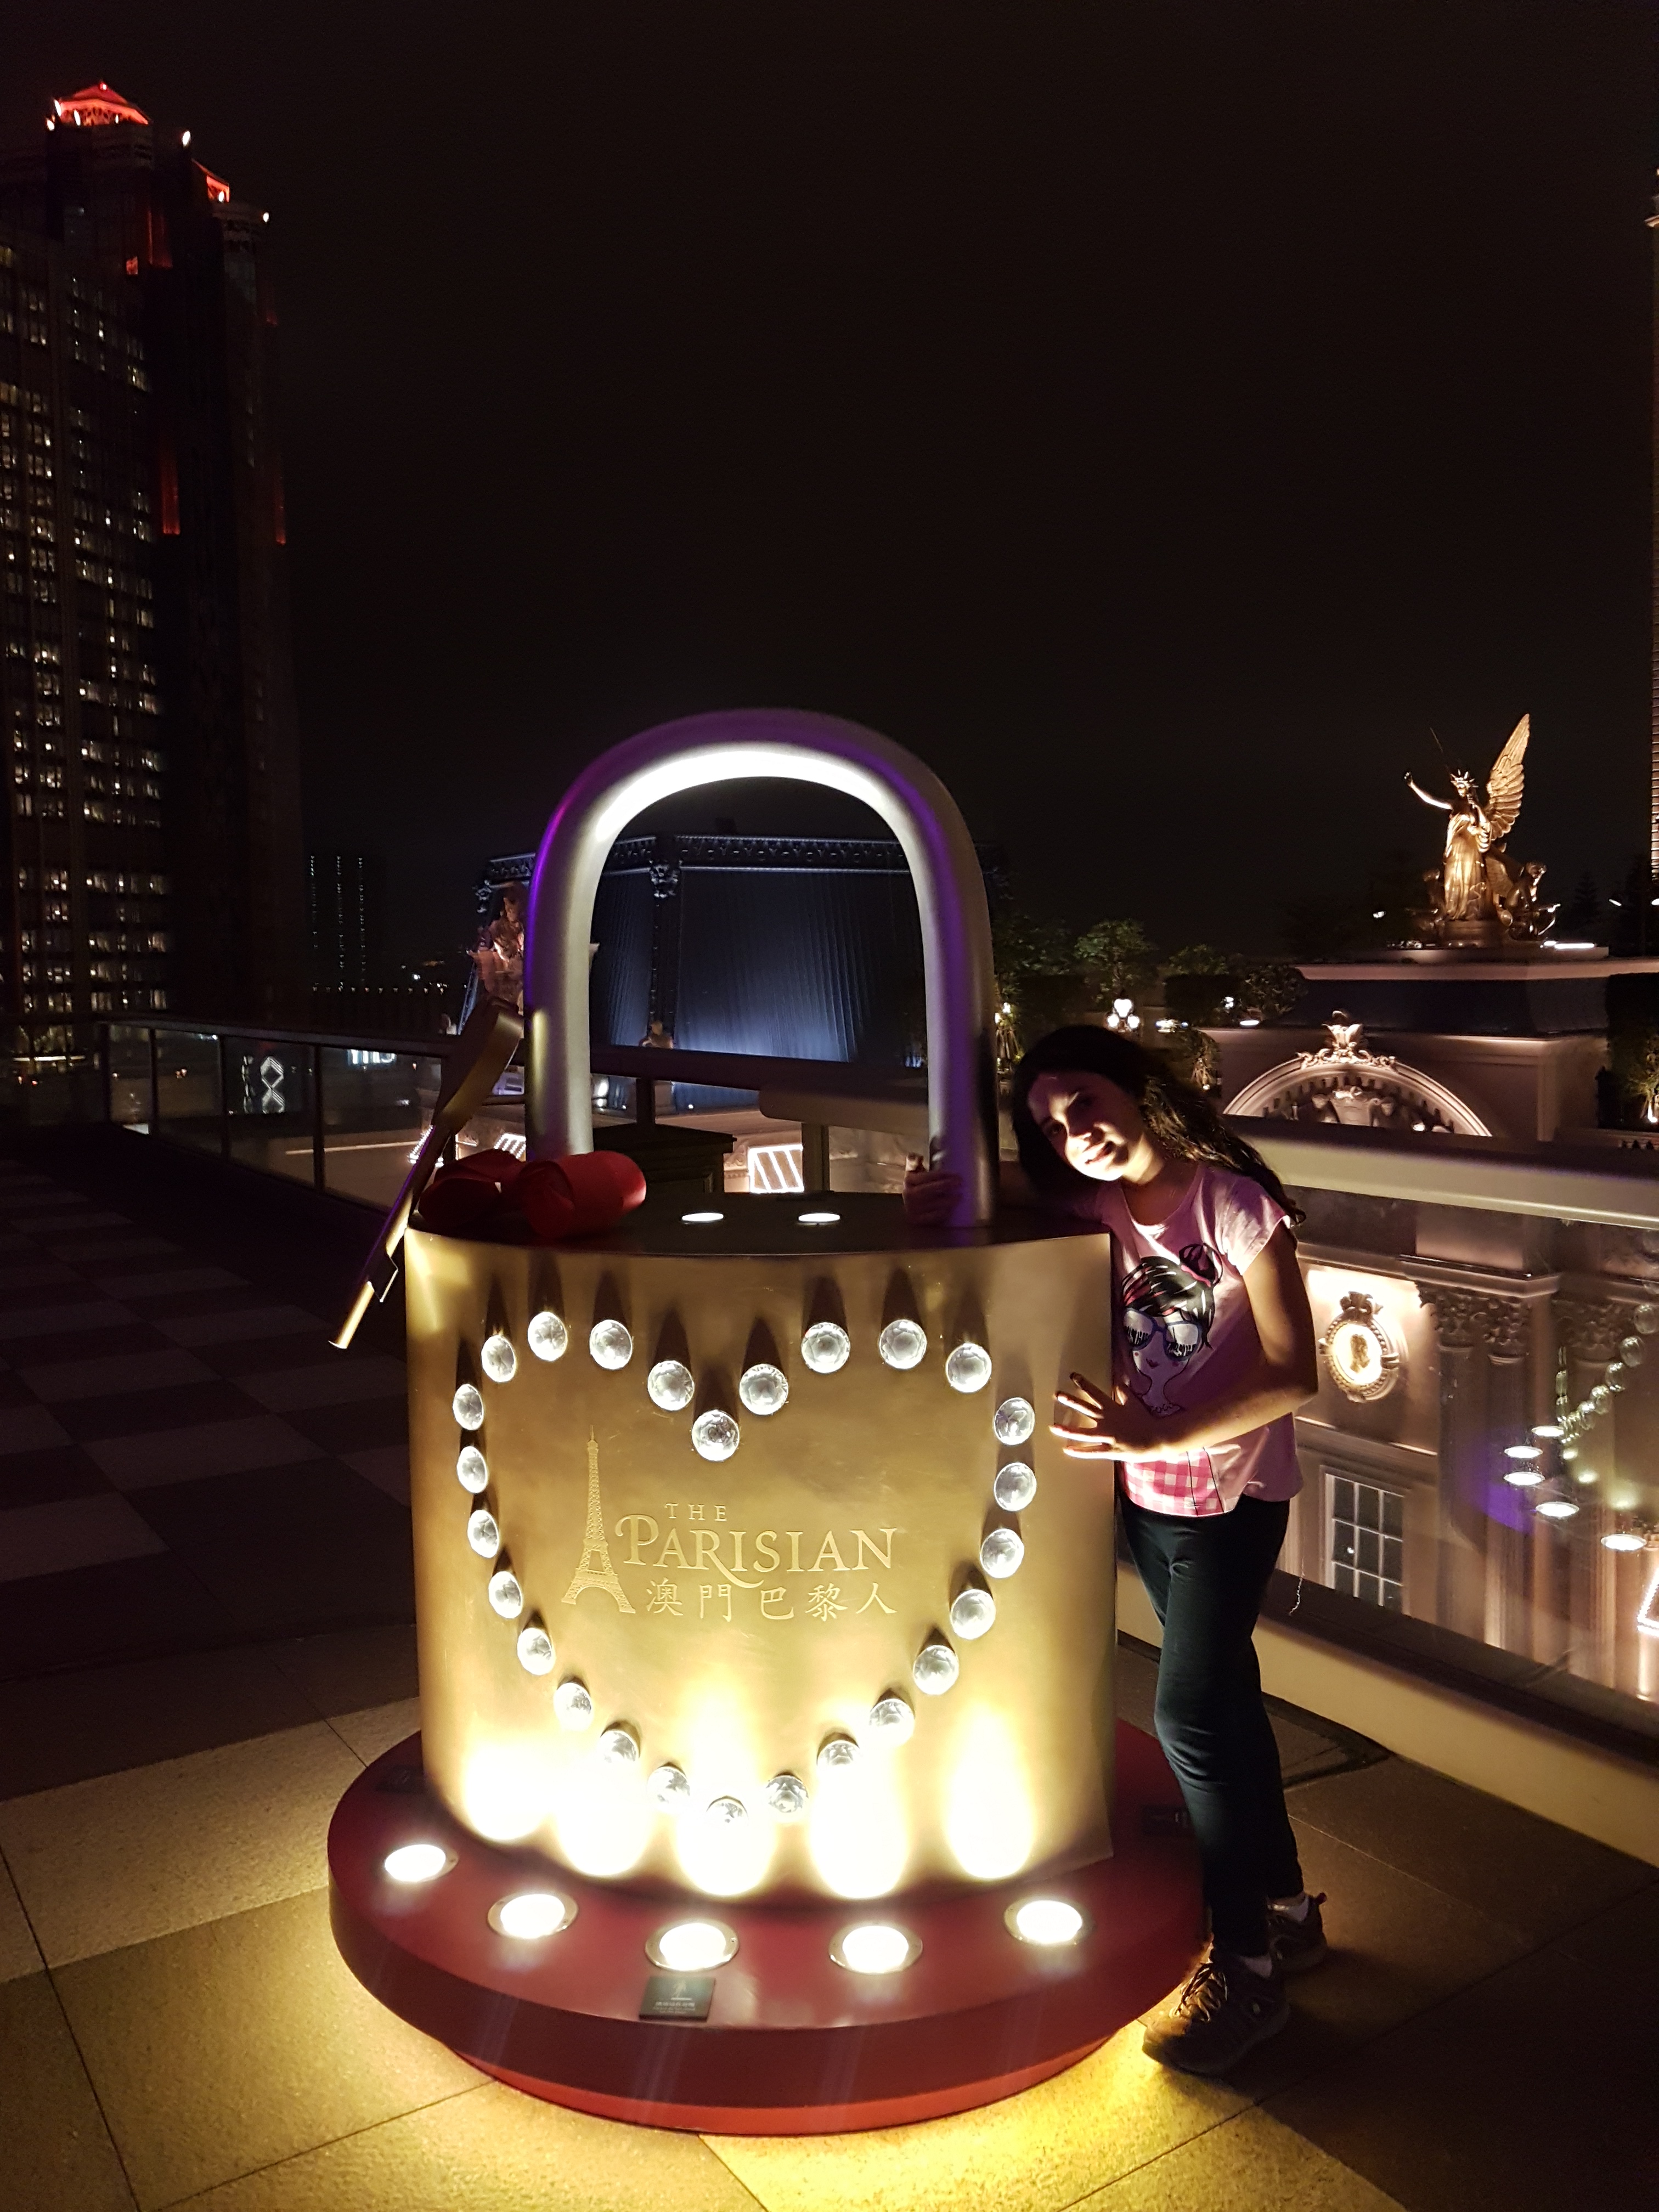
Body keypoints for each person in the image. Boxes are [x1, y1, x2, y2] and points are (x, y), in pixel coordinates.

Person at [905, 1024, 1327, 2077]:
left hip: (1228, 1498)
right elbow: (994, 1196)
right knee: (1226, 1698)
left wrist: (1161, 1435)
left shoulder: (1233, 1204)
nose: (1075, 1131)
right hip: (1145, 1497)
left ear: (1138, 1089)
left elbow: (1293, 1371)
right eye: (1052, 1124)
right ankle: (1285, 1908)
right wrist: (936, 1197)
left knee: (1190, 1715)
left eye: (1085, 1101)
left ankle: (1248, 1967)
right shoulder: (1096, 1205)